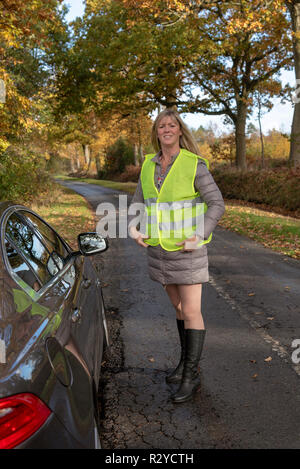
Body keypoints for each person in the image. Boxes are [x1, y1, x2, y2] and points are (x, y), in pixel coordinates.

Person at [128, 109, 225, 403]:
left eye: (172, 125)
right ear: (156, 132)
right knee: (179, 308)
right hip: (159, 250)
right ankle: (185, 363)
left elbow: (216, 204)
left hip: (188, 249)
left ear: (180, 130)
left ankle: (191, 375)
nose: (166, 129)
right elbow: (138, 200)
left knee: (192, 310)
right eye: (161, 125)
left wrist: (199, 235)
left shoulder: (193, 164)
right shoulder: (148, 164)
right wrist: (133, 227)